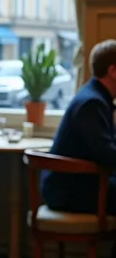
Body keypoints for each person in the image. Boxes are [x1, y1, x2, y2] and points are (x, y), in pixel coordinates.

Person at [42, 40, 116, 214]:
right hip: (69, 191)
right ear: (113, 71)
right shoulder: (92, 103)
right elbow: (106, 154)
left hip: (79, 184)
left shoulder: (95, 96)